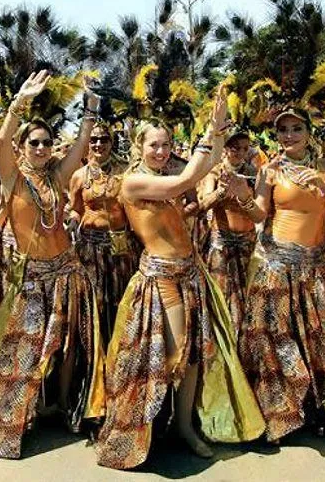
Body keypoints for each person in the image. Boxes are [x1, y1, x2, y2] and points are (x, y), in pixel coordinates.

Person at [96, 94, 265, 470]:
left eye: (166, 144)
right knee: (167, 357)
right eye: (153, 144)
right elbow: (189, 178)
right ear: (139, 147)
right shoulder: (134, 182)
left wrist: (218, 129)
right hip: (160, 280)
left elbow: (195, 179)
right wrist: (210, 131)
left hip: (191, 274)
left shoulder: (161, 176)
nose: (160, 150)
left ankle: (185, 427)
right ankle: (146, 429)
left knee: (191, 358)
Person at [0, 71, 105, 459]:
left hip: (66, 269)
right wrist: (20, 101)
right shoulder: (12, 175)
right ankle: (17, 417)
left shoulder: (58, 175)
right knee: (26, 351)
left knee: (68, 347)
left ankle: (64, 406)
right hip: (31, 276)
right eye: (35, 142)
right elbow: (0, 138)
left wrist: (91, 102)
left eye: (47, 142)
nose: (43, 147)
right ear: (23, 146)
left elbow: (82, 140)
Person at [238, 107, 325, 443]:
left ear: (308, 132)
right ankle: (278, 415)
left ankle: (314, 409)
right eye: (283, 130)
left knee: (319, 338)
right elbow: (260, 212)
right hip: (276, 267)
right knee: (274, 339)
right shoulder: (269, 169)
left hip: (314, 269)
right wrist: (244, 194)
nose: (289, 136)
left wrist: (324, 187)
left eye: (296, 129)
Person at [68, 122, 136, 342]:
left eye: (104, 139)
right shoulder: (79, 176)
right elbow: (76, 210)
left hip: (121, 245)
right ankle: (95, 353)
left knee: (120, 298)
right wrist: (71, 222)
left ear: (112, 142)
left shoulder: (126, 171)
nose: (99, 144)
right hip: (90, 247)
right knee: (94, 300)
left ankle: (119, 349)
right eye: (94, 139)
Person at [199, 130, 261, 335]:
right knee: (223, 296)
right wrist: (221, 191)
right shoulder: (215, 173)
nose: (241, 153)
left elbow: (261, 211)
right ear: (225, 148)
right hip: (221, 244)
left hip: (248, 245)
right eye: (236, 148)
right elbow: (203, 204)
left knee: (248, 296)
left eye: (245, 148)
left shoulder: (253, 173)